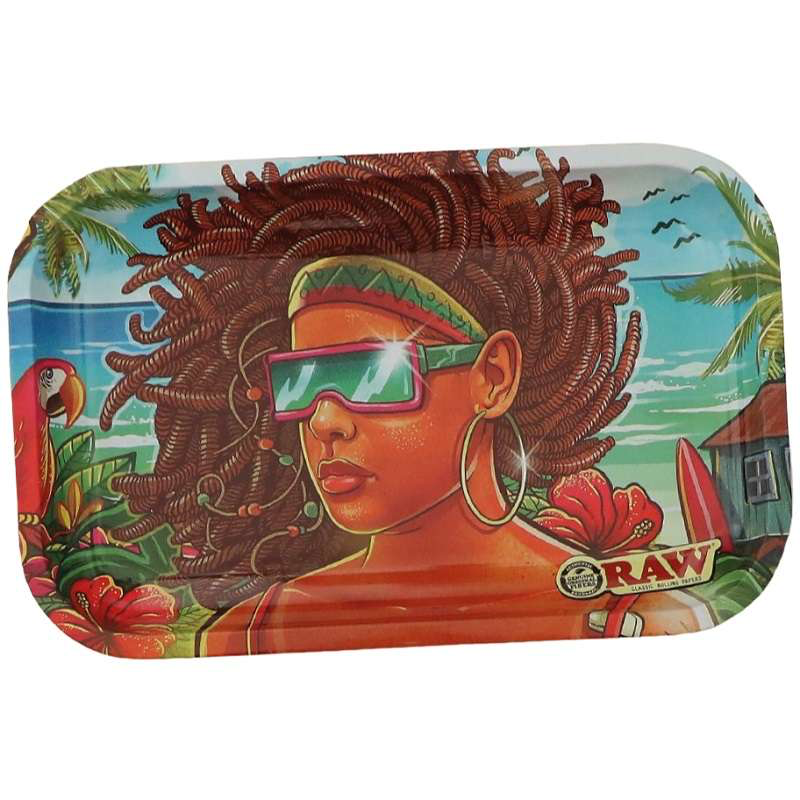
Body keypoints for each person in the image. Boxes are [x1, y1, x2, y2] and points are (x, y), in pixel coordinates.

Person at [101, 149, 712, 656]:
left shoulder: (636, 623)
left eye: (375, 374)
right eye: (301, 383)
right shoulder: (249, 633)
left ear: (492, 377)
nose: (325, 422)